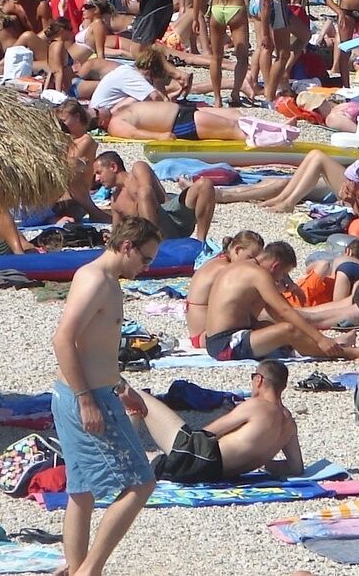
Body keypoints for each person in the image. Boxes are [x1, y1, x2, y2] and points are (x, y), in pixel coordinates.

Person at [50, 218, 162, 576]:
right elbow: (63, 339)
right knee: (141, 483)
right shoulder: (95, 279)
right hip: (84, 396)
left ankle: (74, 569)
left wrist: (121, 386)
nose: (147, 268)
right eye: (145, 259)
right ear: (127, 246)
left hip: (91, 390)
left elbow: (96, 347)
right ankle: (89, 570)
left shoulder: (109, 281)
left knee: (81, 492)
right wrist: (86, 399)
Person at [137, 359, 302, 482]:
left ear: (258, 379)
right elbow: (296, 468)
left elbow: (207, 432)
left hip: (198, 457)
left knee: (139, 396)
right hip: (212, 475)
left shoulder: (257, 406)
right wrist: (265, 462)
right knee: (144, 457)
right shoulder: (289, 425)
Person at [202, 241, 351, 361]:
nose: (281, 279)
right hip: (226, 344)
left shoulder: (240, 267)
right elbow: (285, 311)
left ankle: (333, 345)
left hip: (216, 340)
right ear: (275, 266)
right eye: (284, 274)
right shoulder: (259, 275)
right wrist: (320, 339)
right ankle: (346, 352)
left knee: (275, 326)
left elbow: (278, 314)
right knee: (288, 330)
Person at [93, 151, 214, 243]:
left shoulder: (138, 169)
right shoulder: (116, 201)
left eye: (99, 172)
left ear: (113, 167)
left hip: (172, 213)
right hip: (162, 231)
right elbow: (116, 234)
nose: (97, 179)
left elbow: (147, 193)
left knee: (205, 184)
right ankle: (153, 243)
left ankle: (200, 243)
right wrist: (111, 237)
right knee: (142, 194)